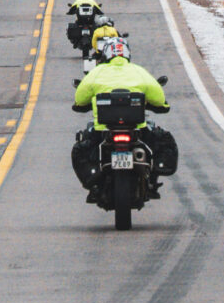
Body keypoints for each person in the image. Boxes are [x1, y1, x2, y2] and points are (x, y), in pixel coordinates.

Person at [68, 36, 177, 195]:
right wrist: (162, 105)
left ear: (105, 55)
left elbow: (80, 99)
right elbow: (159, 98)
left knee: (81, 149)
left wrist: (80, 105)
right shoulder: (138, 71)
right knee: (163, 141)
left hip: (103, 130)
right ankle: (152, 176)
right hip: (137, 128)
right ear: (127, 54)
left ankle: (94, 182)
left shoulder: (96, 72)